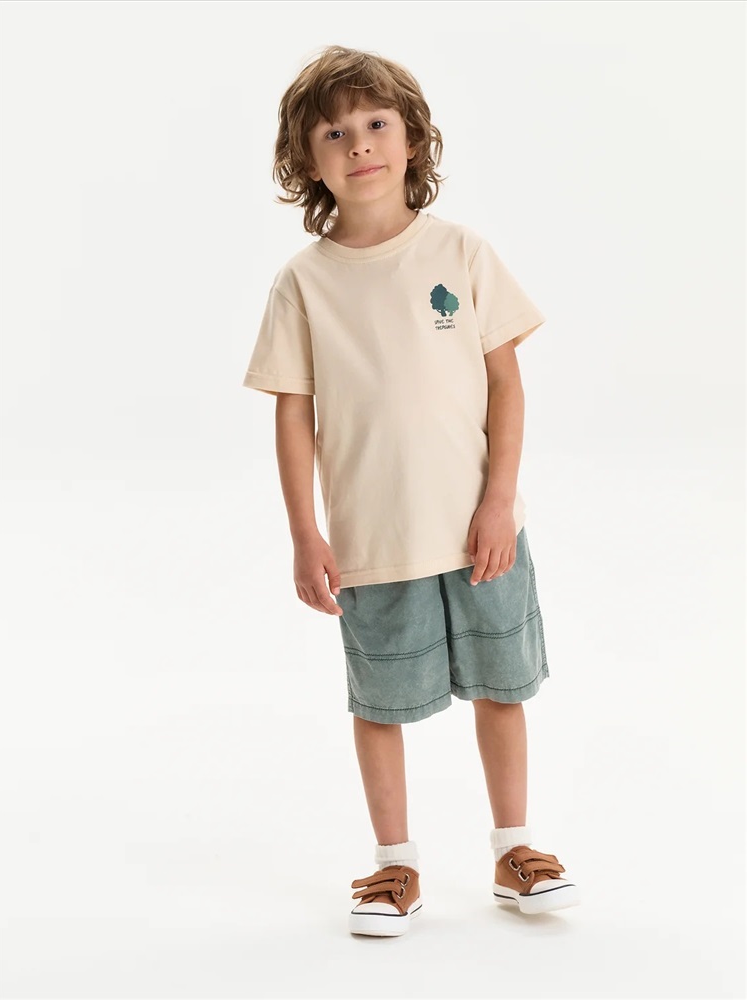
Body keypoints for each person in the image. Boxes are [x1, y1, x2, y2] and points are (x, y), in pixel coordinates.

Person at [242, 44, 580, 937]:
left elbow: (505, 383)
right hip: (373, 539)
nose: (359, 144)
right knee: (377, 701)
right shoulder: (304, 283)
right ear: (307, 159)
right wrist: (305, 533)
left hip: (480, 531)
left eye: (376, 123)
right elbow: (293, 415)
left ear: (413, 139)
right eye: (334, 133)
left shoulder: (462, 253)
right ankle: (395, 864)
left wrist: (499, 501)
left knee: (503, 688)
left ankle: (515, 848)